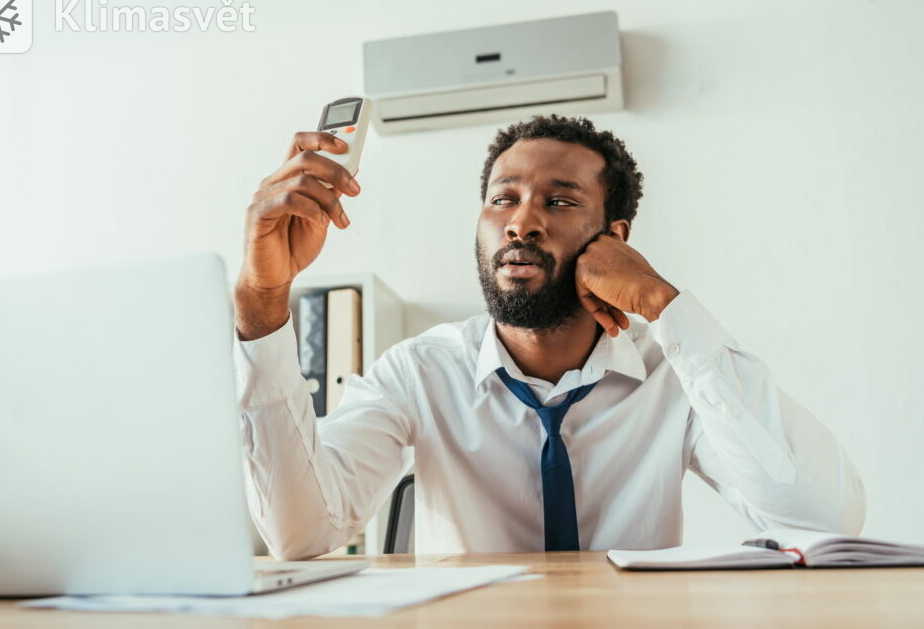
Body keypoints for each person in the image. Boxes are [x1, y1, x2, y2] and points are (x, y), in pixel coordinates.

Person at [233, 114, 865, 560]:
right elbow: (302, 532)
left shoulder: (677, 376)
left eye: (559, 202)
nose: (522, 223)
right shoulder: (419, 373)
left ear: (613, 238)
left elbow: (822, 520)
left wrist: (661, 304)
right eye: (501, 199)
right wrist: (261, 302)